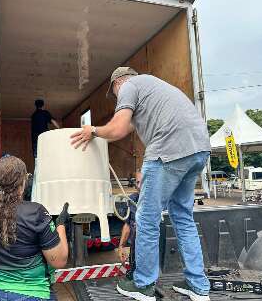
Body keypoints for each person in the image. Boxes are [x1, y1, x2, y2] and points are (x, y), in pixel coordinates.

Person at [70, 67, 211, 301]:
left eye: (115, 94)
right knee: (183, 216)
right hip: (198, 149)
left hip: (168, 151)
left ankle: (143, 284)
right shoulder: (156, 88)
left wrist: (92, 130)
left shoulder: (129, 87)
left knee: (146, 219)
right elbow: (127, 127)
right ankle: (198, 285)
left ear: (117, 84)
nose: (117, 98)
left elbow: (116, 129)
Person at [0, 156, 70, 301]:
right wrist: (60, 225)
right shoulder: (36, 212)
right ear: (23, 182)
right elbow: (59, 261)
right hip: (34, 294)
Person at [117, 171, 141, 280]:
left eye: (143, 182)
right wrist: (121, 246)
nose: (139, 186)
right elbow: (127, 224)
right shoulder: (133, 199)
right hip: (134, 248)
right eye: (138, 182)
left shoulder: (157, 202)